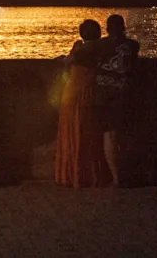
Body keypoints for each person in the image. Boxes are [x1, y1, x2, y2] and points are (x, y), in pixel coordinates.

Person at [74, 14, 139, 188]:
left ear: (108, 28)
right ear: (123, 27)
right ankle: (128, 173)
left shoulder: (100, 45)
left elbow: (77, 57)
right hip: (126, 94)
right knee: (124, 135)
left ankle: (116, 177)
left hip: (104, 95)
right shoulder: (133, 45)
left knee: (109, 136)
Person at [55, 19, 106, 188]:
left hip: (71, 95)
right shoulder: (101, 50)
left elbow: (66, 64)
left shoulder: (79, 50)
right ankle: (90, 174)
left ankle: (72, 174)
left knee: (73, 134)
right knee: (89, 135)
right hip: (89, 94)